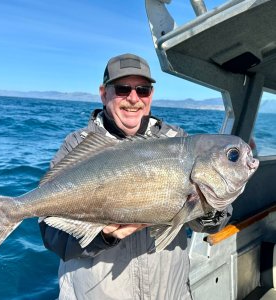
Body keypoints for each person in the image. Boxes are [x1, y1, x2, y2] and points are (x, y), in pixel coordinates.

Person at [39, 53, 232, 300]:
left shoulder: (179, 142)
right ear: (103, 93)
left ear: (151, 95)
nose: (133, 98)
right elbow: (52, 236)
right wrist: (103, 236)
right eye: (122, 89)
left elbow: (212, 222)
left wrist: (212, 203)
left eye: (143, 90)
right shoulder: (76, 146)